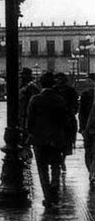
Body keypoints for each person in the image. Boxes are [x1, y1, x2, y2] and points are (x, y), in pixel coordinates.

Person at [27, 71, 72, 208]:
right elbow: (66, 120)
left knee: (42, 169)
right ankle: (54, 187)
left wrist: (30, 135)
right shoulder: (59, 100)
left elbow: (30, 121)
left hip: (40, 140)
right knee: (55, 166)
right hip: (56, 139)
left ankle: (48, 197)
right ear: (53, 84)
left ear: (41, 83)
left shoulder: (35, 99)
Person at [53, 72, 79, 172]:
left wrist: (71, 113)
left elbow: (75, 105)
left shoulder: (70, 91)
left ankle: (62, 160)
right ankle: (59, 161)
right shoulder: (54, 90)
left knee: (67, 143)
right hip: (56, 120)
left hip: (67, 120)